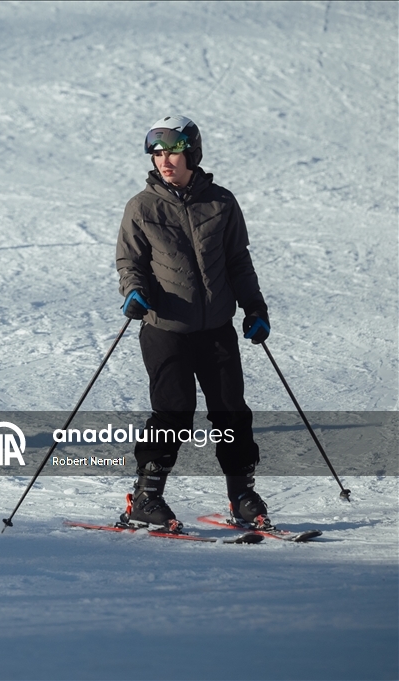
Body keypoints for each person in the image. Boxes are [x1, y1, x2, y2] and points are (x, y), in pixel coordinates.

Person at [114, 115, 272, 532]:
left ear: (192, 153)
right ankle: (147, 497)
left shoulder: (221, 203)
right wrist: (133, 291)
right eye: (158, 153)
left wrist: (255, 310)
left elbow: (238, 262)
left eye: (174, 152)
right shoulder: (142, 208)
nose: (165, 160)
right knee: (174, 413)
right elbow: (129, 261)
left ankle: (241, 494)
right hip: (166, 329)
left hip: (217, 327)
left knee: (231, 412)